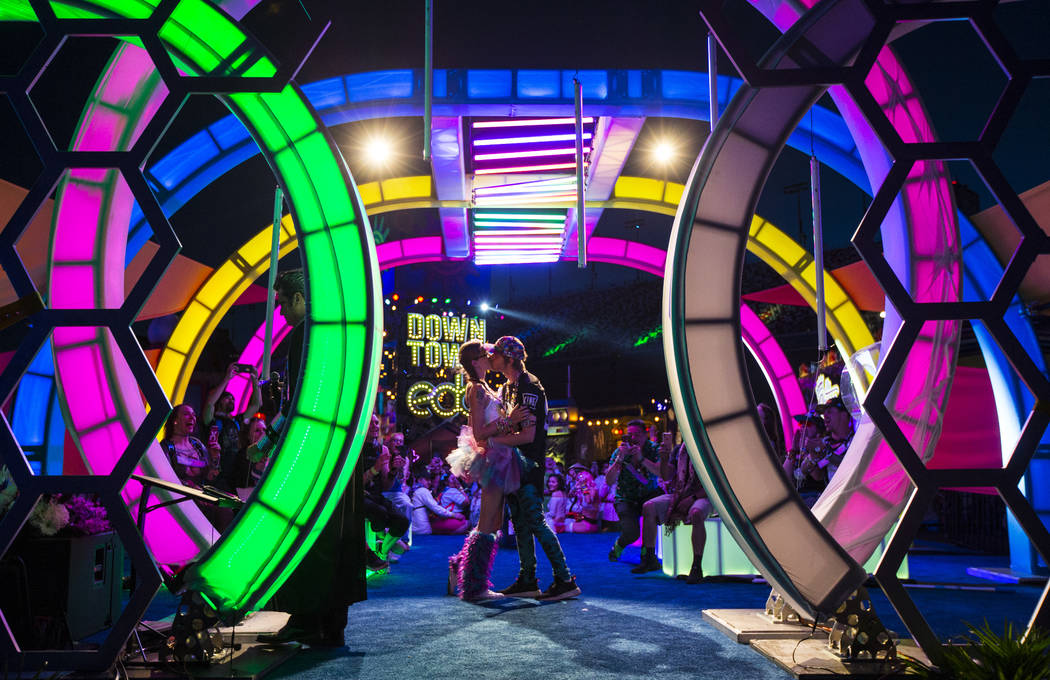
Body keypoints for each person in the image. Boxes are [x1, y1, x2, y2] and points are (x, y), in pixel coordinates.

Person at [257, 269, 366, 647]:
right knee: (341, 537)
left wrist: (266, 444)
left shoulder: (305, 335)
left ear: (301, 298)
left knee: (309, 537)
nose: (283, 311)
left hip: (313, 452)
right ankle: (331, 622)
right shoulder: (341, 332)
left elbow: (298, 404)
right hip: (342, 453)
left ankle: (305, 619)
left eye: (284, 302)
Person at [487, 336, 581, 601]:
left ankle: (564, 578)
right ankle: (528, 578)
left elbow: (527, 436)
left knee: (536, 521)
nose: (491, 359)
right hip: (513, 465)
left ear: (509, 358)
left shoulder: (530, 386)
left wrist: (492, 441)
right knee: (519, 523)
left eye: (495, 354)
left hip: (528, 465)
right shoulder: (508, 388)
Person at [445, 339, 524, 601]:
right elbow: (479, 433)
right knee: (487, 522)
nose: (491, 356)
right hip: (491, 457)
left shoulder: (485, 387)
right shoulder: (477, 389)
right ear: (477, 361)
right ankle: (473, 587)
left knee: (494, 522)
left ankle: (460, 564)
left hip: (499, 456)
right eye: (486, 353)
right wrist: (508, 422)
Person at [634, 439, 712, 583]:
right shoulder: (680, 449)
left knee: (696, 512)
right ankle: (649, 557)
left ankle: (696, 567)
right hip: (681, 492)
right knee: (648, 506)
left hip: (706, 494)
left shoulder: (710, 447)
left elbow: (715, 483)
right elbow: (666, 476)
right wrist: (664, 458)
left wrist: (692, 498)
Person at [605, 419, 664, 564]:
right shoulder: (620, 452)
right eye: (629, 435)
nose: (633, 438)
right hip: (626, 498)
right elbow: (609, 481)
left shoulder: (653, 449)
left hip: (648, 494)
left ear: (645, 435)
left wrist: (641, 458)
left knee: (656, 518)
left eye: (637, 434)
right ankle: (618, 546)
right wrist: (620, 459)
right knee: (632, 533)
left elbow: (661, 472)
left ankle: (647, 554)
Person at [201, 362, 262, 490]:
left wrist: (255, 380)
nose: (232, 400)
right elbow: (210, 404)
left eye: (233, 399)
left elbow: (256, 405)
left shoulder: (236, 421)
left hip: (233, 474)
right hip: (214, 473)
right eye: (227, 398)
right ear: (219, 400)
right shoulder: (211, 419)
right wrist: (227, 379)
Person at [162, 404, 222, 490]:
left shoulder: (197, 445)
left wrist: (215, 456)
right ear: (175, 420)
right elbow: (164, 476)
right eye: (186, 414)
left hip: (198, 500)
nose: (192, 417)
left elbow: (211, 476)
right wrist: (190, 487)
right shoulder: (167, 447)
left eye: (193, 415)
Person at [565, 468, 601, 533]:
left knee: (563, 527)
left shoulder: (593, 490)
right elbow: (570, 495)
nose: (578, 481)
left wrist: (583, 486)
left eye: (580, 479)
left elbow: (588, 501)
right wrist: (575, 487)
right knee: (564, 522)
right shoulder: (583, 491)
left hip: (589, 524)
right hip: (582, 520)